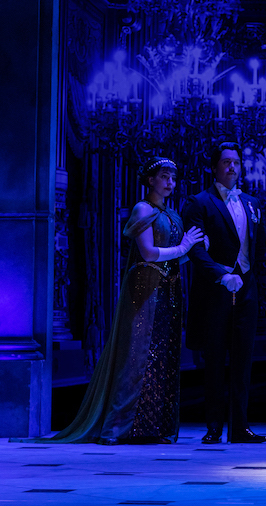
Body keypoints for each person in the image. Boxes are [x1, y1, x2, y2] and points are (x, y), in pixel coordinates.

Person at [13, 157, 204, 445]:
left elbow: (175, 254)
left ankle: (151, 427)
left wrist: (192, 248)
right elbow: (150, 253)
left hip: (168, 290)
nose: (170, 183)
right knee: (136, 354)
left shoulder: (171, 214)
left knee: (161, 356)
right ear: (150, 179)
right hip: (145, 288)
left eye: (173, 179)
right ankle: (117, 427)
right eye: (164, 177)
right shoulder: (143, 209)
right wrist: (184, 246)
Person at [182, 142, 266, 445]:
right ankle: (214, 427)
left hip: (247, 288)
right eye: (226, 162)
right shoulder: (199, 202)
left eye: (236, 162)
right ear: (214, 167)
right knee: (216, 358)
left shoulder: (253, 203)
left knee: (243, 360)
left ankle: (240, 427)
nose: (232, 167)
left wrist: (252, 281)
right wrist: (221, 275)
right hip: (215, 289)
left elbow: (259, 248)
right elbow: (194, 248)